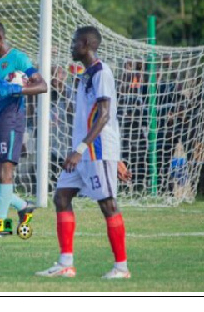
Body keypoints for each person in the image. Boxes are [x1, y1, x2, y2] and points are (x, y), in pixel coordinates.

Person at [35, 26, 129, 279]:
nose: (71, 46)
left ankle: (121, 267)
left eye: (75, 41)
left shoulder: (102, 72)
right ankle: (66, 263)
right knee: (61, 197)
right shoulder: (85, 76)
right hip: (82, 152)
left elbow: (105, 115)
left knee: (107, 205)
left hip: (95, 151)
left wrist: (82, 150)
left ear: (86, 43)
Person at [0, 17, 47, 227]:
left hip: (10, 119)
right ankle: (22, 205)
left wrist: (17, 89)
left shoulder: (18, 59)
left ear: (0, 38)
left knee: (4, 172)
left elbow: (42, 86)